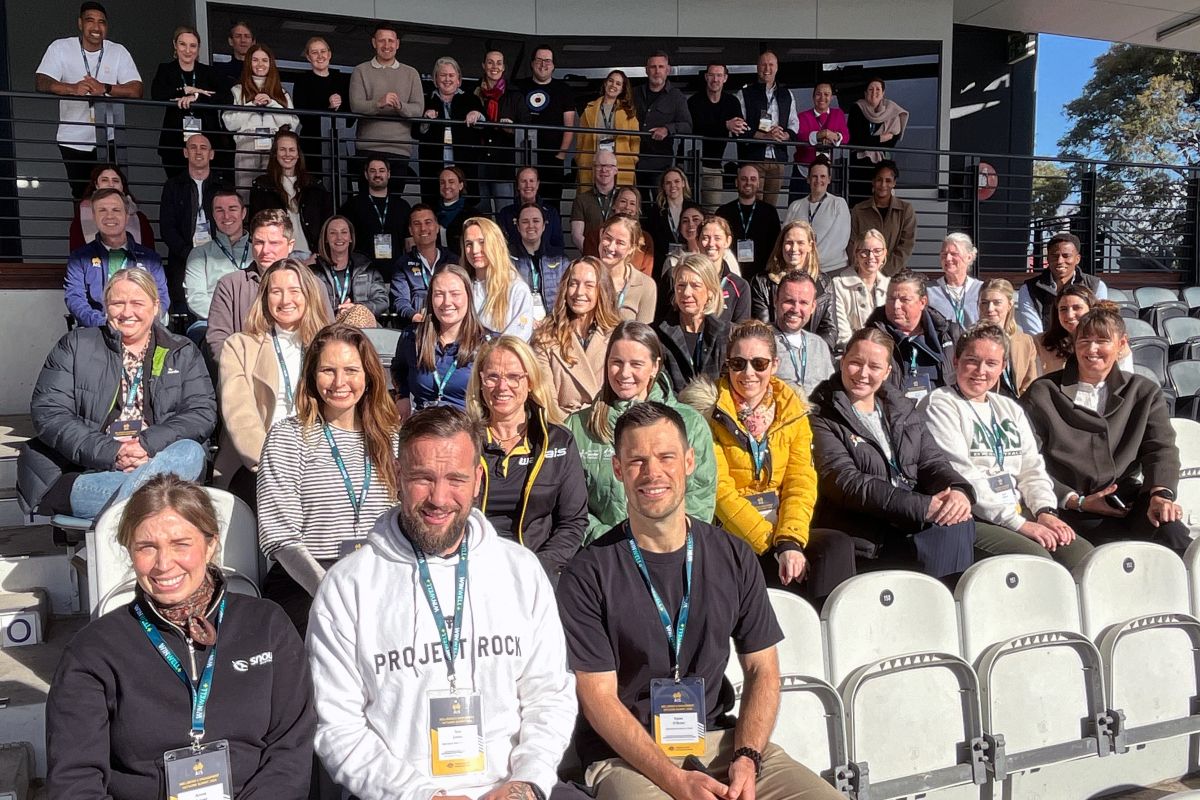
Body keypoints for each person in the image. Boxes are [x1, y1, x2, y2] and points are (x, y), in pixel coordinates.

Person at [556, 401, 844, 800]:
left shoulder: (733, 555)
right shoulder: (587, 573)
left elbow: (763, 669)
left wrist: (746, 757)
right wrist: (675, 782)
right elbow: (598, 698)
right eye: (636, 460)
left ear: (690, 461)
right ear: (618, 470)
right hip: (627, 757)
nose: (652, 472)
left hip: (721, 742)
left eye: (665, 457)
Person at [306, 406, 577, 800]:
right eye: (422, 478)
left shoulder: (521, 570)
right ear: (397, 475)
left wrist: (526, 783)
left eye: (456, 479)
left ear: (478, 481)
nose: (439, 498)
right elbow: (337, 726)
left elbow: (549, 694)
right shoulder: (347, 586)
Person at [45, 475, 315, 799]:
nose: (164, 564)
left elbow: (290, 751)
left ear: (210, 543)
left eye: (180, 544)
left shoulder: (267, 625)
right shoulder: (94, 651)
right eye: (147, 547)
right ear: (130, 550)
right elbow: (75, 779)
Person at [18, 269, 213, 520]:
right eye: (117, 303)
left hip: (160, 465)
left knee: (190, 452)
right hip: (88, 475)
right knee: (169, 499)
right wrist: (113, 453)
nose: (127, 312)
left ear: (155, 307)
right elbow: (49, 413)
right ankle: (144, 510)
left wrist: (146, 445)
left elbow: (201, 413)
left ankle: (128, 515)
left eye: (137, 303)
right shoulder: (75, 345)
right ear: (106, 307)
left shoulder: (182, 352)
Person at [683, 320, 854, 604]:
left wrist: (789, 540)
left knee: (835, 547)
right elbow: (719, 489)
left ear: (774, 365)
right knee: (750, 559)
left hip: (780, 523)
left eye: (759, 363)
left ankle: (828, 634)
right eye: (738, 363)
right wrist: (771, 543)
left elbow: (801, 481)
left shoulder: (793, 411)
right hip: (730, 527)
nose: (748, 373)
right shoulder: (707, 412)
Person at [257, 323, 400, 633]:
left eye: (351, 370)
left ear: (369, 376)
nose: (339, 382)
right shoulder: (288, 438)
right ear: (311, 375)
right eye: (328, 370)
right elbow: (279, 536)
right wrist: (329, 590)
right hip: (308, 580)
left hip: (381, 574)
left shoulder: (392, 439)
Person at [808, 327, 976, 578]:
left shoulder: (901, 408)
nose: (863, 374)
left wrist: (958, 491)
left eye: (874, 367)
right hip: (865, 529)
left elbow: (931, 461)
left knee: (958, 522)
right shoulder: (822, 415)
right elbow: (845, 481)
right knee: (947, 532)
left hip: (908, 518)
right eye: (855, 363)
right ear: (842, 362)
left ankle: (945, 609)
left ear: (887, 371)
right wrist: (921, 507)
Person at [922, 324, 1093, 569]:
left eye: (991, 363)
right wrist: (1020, 524)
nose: (981, 371)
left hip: (1019, 509)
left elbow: (1032, 468)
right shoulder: (940, 404)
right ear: (956, 361)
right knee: (1037, 563)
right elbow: (963, 474)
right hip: (974, 516)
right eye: (972, 360)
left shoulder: (1008, 408)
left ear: (1002, 367)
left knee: (1083, 557)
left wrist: (1045, 511)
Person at [1022, 306, 1188, 553]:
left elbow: (1160, 448)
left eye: (1102, 341)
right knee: (1110, 554)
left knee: (1173, 535)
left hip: (1126, 499)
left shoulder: (1143, 392)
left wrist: (1160, 494)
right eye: (1084, 341)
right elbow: (1026, 461)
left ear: (1121, 345)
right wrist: (1075, 500)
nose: (1091, 350)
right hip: (1069, 505)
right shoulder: (1043, 392)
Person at [564, 321, 717, 544]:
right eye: (616, 363)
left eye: (636, 364)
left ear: (655, 366)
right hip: (605, 553)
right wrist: (612, 541)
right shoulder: (578, 426)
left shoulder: (690, 423)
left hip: (671, 551)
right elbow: (570, 503)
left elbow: (700, 495)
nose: (625, 373)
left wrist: (663, 541)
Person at [466, 336, 588, 579]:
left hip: (538, 570)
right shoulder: (464, 440)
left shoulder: (557, 441)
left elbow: (573, 523)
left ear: (530, 381)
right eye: (493, 377)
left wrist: (535, 569)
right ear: (480, 381)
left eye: (514, 377)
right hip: (474, 568)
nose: (502, 387)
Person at [214, 259, 332, 502]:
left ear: (309, 295)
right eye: (276, 292)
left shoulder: (328, 345)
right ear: (265, 298)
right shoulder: (240, 346)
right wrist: (272, 464)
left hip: (317, 457)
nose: (285, 300)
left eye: (294, 291)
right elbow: (240, 414)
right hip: (257, 464)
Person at [34, 1, 142, 200]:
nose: (96, 27)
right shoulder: (61, 47)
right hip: (73, 139)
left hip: (108, 137)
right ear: (80, 23)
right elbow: (42, 81)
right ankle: (84, 232)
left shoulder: (117, 51)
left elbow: (136, 89)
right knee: (81, 196)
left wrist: (106, 88)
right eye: (90, 21)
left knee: (112, 195)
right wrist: (72, 88)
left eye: (102, 22)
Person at [206, 209, 305, 362]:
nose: (265, 250)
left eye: (274, 243)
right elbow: (217, 342)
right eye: (259, 242)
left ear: (290, 245)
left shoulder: (311, 284)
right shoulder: (229, 285)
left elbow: (323, 336)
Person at [64, 188, 169, 328]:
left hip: (142, 330)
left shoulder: (150, 258)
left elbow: (161, 298)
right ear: (94, 217)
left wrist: (138, 324)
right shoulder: (79, 258)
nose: (109, 216)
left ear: (126, 216)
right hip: (96, 331)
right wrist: (104, 324)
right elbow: (75, 299)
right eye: (102, 210)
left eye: (116, 210)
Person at [392, 264, 485, 416]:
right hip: (424, 427)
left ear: (469, 296)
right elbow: (399, 369)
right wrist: (402, 396)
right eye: (439, 294)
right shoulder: (412, 337)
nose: (447, 302)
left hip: (466, 428)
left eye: (455, 294)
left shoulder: (486, 344)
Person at [532, 257, 621, 414]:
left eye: (589, 285)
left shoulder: (618, 336)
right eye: (573, 284)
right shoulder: (544, 338)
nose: (579, 292)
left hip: (608, 425)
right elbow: (547, 402)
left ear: (602, 290)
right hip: (565, 430)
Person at [349, 21, 424, 197]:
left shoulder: (411, 73)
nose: (387, 45)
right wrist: (378, 103)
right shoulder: (361, 70)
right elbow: (356, 105)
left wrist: (400, 107)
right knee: (366, 203)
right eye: (382, 41)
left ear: (397, 43)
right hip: (368, 148)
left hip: (399, 149)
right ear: (374, 43)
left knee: (394, 203)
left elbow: (418, 109)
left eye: (391, 41)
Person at [865, 269, 961, 403]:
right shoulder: (871, 338)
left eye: (904, 300)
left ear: (922, 302)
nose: (896, 306)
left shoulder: (950, 335)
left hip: (942, 413)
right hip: (893, 416)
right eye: (891, 299)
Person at [150, 26, 229, 180]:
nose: (187, 50)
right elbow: (157, 94)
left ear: (198, 48)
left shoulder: (209, 72)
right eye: (182, 44)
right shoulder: (166, 69)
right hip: (174, 142)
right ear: (175, 45)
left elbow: (226, 97)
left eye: (192, 46)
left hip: (208, 139)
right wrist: (184, 90)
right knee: (179, 188)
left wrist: (197, 96)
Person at [222, 44, 300, 194]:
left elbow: (292, 123)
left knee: (274, 191)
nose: (260, 64)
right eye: (255, 60)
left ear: (271, 64)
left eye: (264, 60)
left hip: (274, 144)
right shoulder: (237, 90)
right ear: (248, 63)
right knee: (245, 192)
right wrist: (252, 105)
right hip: (247, 143)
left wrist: (271, 103)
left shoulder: (281, 92)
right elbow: (229, 123)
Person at [158, 133, 222, 309]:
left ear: (212, 154)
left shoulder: (223, 185)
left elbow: (230, 222)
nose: (198, 152)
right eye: (193, 147)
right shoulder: (172, 186)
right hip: (182, 258)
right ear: (185, 153)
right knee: (183, 309)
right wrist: (189, 253)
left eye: (203, 148)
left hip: (218, 257)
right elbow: (167, 227)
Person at [750, 220, 836, 348]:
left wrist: (810, 351)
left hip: (814, 354)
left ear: (810, 246)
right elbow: (763, 327)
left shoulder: (824, 283)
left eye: (800, 243)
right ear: (781, 245)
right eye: (789, 243)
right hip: (777, 352)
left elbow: (830, 331)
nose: (794, 248)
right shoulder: (762, 282)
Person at [248, 129, 334, 256]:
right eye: (282, 149)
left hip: (310, 255)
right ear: (275, 153)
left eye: (292, 150)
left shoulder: (314, 185)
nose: (287, 154)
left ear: (298, 154)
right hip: (277, 255)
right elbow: (256, 224)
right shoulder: (262, 186)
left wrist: (318, 255)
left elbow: (326, 223)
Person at [512, 44, 577, 206]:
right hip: (523, 158)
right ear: (532, 63)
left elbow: (569, 126)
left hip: (553, 159)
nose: (543, 64)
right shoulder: (518, 87)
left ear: (553, 65)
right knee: (522, 205)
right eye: (539, 60)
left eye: (548, 61)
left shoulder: (563, 89)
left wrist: (561, 155)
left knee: (551, 206)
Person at [657, 253, 732, 391]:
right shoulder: (658, 334)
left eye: (695, 285)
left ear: (710, 291)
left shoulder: (726, 334)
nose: (686, 292)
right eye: (681, 285)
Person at [415, 56, 485, 205]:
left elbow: (484, 127)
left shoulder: (471, 99)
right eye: (443, 75)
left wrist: (477, 115)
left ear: (458, 80)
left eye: (451, 75)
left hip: (464, 163)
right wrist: (425, 120)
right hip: (434, 164)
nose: (447, 79)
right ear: (435, 79)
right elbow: (415, 132)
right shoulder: (425, 101)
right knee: (433, 206)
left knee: (466, 206)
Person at [735, 51, 799, 207]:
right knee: (753, 204)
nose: (767, 69)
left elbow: (794, 123)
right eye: (763, 64)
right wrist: (765, 136)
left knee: (770, 208)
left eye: (771, 65)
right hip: (753, 158)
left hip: (778, 160)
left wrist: (784, 135)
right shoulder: (744, 94)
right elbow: (739, 128)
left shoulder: (787, 95)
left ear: (777, 68)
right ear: (757, 67)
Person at [185, 187, 250, 333]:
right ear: (213, 215)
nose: (226, 216)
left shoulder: (259, 251)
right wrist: (230, 318)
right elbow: (196, 299)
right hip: (212, 322)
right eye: (219, 210)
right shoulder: (199, 254)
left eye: (232, 209)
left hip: (254, 321)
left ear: (243, 213)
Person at [1017, 232, 1108, 334]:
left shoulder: (1095, 286)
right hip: (1045, 347)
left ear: (1077, 259)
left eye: (1066, 256)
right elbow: (1033, 333)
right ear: (1047, 258)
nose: (1060, 261)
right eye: (1055, 256)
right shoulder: (1029, 289)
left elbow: (1098, 325)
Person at [462, 217, 534, 339]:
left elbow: (518, 340)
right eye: (469, 244)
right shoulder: (461, 287)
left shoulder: (516, 289)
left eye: (482, 242)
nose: (475, 250)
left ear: (496, 244)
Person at [338, 157, 411, 277]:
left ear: (388, 174)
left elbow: (409, 244)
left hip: (397, 275)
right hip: (363, 273)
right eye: (373, 171)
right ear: (366, 175)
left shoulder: (402, 206)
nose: (377, 174)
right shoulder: (352, 206)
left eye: (382, 170)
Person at [1034, 286, 1132, 375]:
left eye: (1077, 308)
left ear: (1091, 309)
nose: (1070, 315)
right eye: (1063, 309)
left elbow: (1125, 383)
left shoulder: (1114, 343)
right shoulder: (1040, 343)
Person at [633, 52, 692, 198]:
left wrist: (667, 129)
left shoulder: (676, 96)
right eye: (653, 67)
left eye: (661, 66)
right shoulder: (634, 93)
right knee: (637, 207)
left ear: (668, 70)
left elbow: (687, 126)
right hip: (633, 161)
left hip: (660, 163)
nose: (657, 71)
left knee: (660, 207)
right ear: (646, 70)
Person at [688, 62, 747, 208]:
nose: (715, 79)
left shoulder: (732, 102)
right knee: (688, 210)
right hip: (690, 163)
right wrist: (725, 125)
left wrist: (738, 127)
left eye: (719, 75)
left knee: (712, 212)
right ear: (706, 77)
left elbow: (740, 130)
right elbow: (696, 129)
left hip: (714, 165)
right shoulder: (694, 101)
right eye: (712, 75)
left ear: (725, 78)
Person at [292, 36, 352, 178]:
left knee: (341, 185)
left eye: (323, 51)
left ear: (329, 54)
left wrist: (339, 107)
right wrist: (328, 107)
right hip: (312, 145)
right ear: (308, 57)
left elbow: (350, 119)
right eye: (314, 52)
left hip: (338, 143)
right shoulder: (302, 81)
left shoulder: (342, 80)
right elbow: (303, 117)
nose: (320, 56)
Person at [768, 270, 836, 396]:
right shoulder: (761, 340)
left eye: (803, 303)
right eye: (789, 301)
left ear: (813, 307)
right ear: (776, 301)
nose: (795, 309)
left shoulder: (819, 345)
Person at [391, 204, 458, 327]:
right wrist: (414, 316)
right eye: (417, 224)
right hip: (418, 326)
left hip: (450, 321)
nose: (423, 228)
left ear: (437, 227)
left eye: (428, 222)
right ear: (411, 230)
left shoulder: (453, 260)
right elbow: (401, 300)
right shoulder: (403, 264)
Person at [312, 216, 389, 320]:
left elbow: (382, 301)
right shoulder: (314, 273)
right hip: (327, 327)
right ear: (326, 238)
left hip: (362, 329)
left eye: (344, 232)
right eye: (333, 233)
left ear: (351, 238)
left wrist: (356, 308)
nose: (339, 237)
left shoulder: (367, 268)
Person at [784, 156, 851, 274]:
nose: (818, 180)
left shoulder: (838, 204)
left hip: (832, 270)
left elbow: (838, 241)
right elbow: (785, 237)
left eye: (823, 176)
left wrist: (811, 261)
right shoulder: (795, 206)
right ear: (808, 179)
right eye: (814, 176)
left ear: (829, 179)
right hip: (801, 270)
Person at [847, 159, 915, 276]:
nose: (883, 185)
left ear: (894, 183)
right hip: (864, 274)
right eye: (879, 180)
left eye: (888, 180)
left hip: (895, 276)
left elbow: (906, 246)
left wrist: (884, 273)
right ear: (873, 182)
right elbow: (853, 244)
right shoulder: (859, 210)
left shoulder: (905, 210)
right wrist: (864, 269)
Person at [846, 78, 908, 204]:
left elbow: (891, 143)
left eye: (878, 89)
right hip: (859, 166)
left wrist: (870, 141)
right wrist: (880, 138)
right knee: (859, 203)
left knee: (879, 202)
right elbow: (857, 140)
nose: (874, 92)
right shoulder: (857, 109)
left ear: (883, 93)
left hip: (880, 165)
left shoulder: (891, 110)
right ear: (865, 93)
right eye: (871, 89)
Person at [716, 164, 782, 281]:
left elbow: (777, 246)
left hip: (761, 276)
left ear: (758, 183)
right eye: (744, 179)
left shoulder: (769, 212)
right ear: (737, 182)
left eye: (753, 179)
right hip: (730, 275)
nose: (748, 183)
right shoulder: (723, 212)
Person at [67, 164, 154, 251]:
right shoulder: (82, 216)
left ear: (122, 186)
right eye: (104, 180)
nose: (111, 184)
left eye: (115, 180)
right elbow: (77, 255)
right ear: (96, 185)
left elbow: (149, 256)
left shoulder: (140, 218)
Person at [473, 50, 520, 212]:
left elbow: (527, 126)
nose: (495, 66)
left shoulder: (515, 95)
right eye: (490, 62)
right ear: (484, 66)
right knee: (481, 216)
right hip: (479, 161)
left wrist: (511, 129)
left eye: (499, 63)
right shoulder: (473, 93)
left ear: (504, 67)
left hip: (504, 163)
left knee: (505, 214)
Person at [577, 69, 640, 188]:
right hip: (593, 160)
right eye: (611, 81)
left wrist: (633, 158)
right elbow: (580, 138)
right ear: (605, 83)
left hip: (620, 162)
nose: (613, 85)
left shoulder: (629, 112)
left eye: (618, 83)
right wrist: (579, 157)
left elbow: (635, 141)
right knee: (591, 197)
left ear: (622, 89)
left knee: (620, 198)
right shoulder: (589, 109)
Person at [831, 228, 892, 348]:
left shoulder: (890, 286)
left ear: (885, 253)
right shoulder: (838, 285)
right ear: (856, 254)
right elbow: (843, 333)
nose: (871, 256)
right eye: (865, 251)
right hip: (851, 352)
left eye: (877, 251)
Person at [978, 278, 1038, 398]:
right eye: (984, 302)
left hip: (1017, 406)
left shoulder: (1025, 342)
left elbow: (1030, 383)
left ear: (1010, 305)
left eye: (997, 302)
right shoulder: (972, 340)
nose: (990, 308)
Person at [791, 82, 850, 202]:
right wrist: (819, 135)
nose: (822, 98)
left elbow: (846, 137)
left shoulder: (838, 114)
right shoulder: (802, 116)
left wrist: (833, 135)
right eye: (818, 94)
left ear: (832, 97)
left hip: (827, 173)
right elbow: (800, 137)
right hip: (804, 172)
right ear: (813, 97)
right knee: (799, 210)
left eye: (826, 94)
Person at [511, 203, 567, 320]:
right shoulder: (507, 258)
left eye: (536, 221)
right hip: (519, 323)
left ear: (544, 226)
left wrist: (552, 321)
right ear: (518, 227)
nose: (531, 225)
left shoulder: (559, 258)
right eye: (525, 222)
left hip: (554, 323)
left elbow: (567, 294)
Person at [599, 214, 657, 324]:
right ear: (601, 235)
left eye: (620, 243)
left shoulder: (646, 285)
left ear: (632, 248)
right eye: (607, 238)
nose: (611, 247)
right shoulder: (583, 277)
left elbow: (642, 335)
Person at [699, 216, 753, 323]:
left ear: (727, 241)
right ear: (697, 241)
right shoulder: (685, 280)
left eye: (717, 238)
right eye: (705, 238)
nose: (711, 244)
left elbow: (740, 330)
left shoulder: (739, 286)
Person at [499, 166, 565, 250]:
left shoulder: (551, 212)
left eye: (531, 181)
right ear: (518, 185)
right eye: (523, 181)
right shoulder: (506, 213)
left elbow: (558, 245)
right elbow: (501, 246)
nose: (528, 185)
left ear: (537, 184)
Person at [927, 233, 983, 328]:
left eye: (954, 254)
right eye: (944, 254)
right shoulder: (929, 290)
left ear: (969, 257)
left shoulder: (981, 289)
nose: (948, 258)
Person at [570, 149, 620, 252]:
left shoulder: (623, 199)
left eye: (609, 166)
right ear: (593, 169)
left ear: (616, 170)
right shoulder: (581, 200)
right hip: (591, 261)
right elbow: (576, 236)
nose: (604, 170)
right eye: (599, 166)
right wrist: (594, 255)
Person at [645, 167, 694, 266]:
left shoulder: (694, 209)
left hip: (689, 262)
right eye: (668, 183)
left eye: (677, 181)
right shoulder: (654, 212)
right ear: (663, 186)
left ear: (683, 183)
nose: (673, 186)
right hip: (661, 265)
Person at [437, 166, 482, 255]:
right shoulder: (432, 213)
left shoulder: (474, 215)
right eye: (442, 182)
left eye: (451, 182)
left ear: (461, 185)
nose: (446, 186)